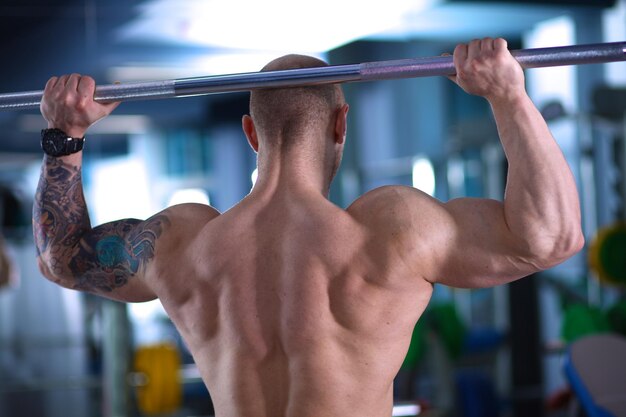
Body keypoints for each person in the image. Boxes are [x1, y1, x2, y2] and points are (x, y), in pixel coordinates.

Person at [33, 38, 583, 417]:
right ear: (342, 124)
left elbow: (61, 257)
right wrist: (508, 96)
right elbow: (552, 237)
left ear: (252, 132)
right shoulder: (390, 232)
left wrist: (66, 135)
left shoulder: (184, 242)